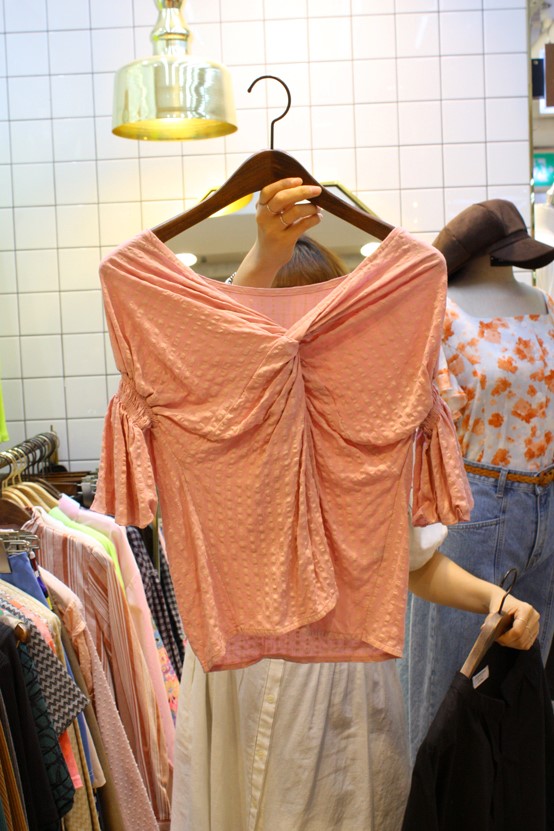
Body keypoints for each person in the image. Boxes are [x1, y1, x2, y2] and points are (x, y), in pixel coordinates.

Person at [169, 182, 540, 831]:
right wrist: (263, 258)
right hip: (239, 677)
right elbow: (204, 359)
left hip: (341, 686)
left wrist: (494, 599)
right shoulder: (220, 432)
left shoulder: (372, 438)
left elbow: (417, 564)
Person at [402, 198, 554, 762]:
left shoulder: (546, 306)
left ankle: (513, 801)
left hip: (547, 505)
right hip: (473, 503)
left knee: (525, 683)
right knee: (448, 694)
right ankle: (429, 800)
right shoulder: (440, 313)